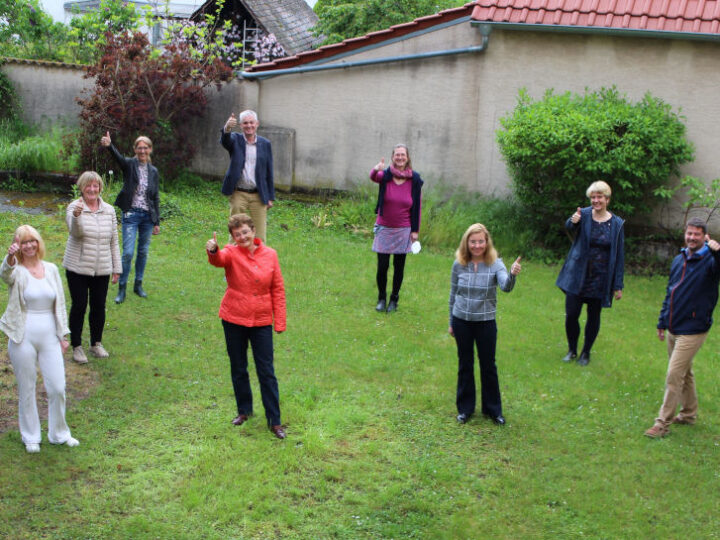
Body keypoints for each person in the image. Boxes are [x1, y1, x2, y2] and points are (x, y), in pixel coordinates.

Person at [206, 213, 287, 439]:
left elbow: (278, 289)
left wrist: (279, 320)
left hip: (261, 320)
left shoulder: (271, 255)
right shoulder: (231, 253)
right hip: (233, 317)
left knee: (266, 371)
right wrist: (213, 250)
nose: (242, 237)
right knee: (238, 366)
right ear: (232, 237)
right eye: (237, 234)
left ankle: (275, 421)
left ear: (253, 230)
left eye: (245, 232)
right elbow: (218, 260)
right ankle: (244, 411)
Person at [1, 225, 79, 453]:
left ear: (38, 243)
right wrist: (9, 258)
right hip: (22, 335)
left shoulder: (51, 269)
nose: (29, 246)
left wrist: (63, 335)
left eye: (32, 241)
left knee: (57, 387)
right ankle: (31, 436)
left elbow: (61, 305)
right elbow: (4, 275)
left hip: (49, 336)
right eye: (24, 242)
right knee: (27, 387)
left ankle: (59, 433)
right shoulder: (17, 270)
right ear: (18, 246)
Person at [644, 218, 720, 438]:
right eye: (689, 233)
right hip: (673, 325)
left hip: (694, 328)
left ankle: (661, 424)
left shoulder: (710, 261)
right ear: (685, 234)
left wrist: (717, 252)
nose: (692, 238)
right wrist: (662, 320)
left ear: (704, 237)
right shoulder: (679, 259)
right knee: (685, 373)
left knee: (674, 374)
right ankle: (688, 414)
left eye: (697, 234)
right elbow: (671, 292)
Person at [449, 224, 521, 425]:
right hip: (461, 320)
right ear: (467, 243)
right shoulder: (459, 264)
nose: (477, 245)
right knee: (465, 364)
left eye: (481, 241)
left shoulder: (495, 264)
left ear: (487, 242)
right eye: (473, 242)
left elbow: (506, 287)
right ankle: (465, 409)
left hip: (485, 322)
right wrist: (450, 322)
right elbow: (453, 294)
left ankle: (492, 410)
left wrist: (513, 274)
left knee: (488, 365)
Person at [556, 181, 624, 366]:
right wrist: (572, 221)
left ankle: (585, 353)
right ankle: (572, 350)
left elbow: (619, 255)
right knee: (571, 314)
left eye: (599, 197)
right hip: (577, 275)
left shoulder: (616, 224)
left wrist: (618, 285)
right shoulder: (583, 215)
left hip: (600, 278)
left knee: (594, 316)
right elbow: (570, 226)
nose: (596, 200)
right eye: (593, 197)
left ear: (607, 199)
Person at [63, 171, 121, 363]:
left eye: (95, 186)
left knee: (99, 306)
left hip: (102, 267)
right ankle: (77, 346)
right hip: (77, 267)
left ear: (100, 188)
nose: (92, 189)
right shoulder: (74, 207)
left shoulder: (110, 210)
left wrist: (116, 268)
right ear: (81, 187)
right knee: (79, 306)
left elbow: (114, 241)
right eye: (88, 185)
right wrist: (78, 216)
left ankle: (96, 343)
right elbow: (75, 232)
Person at [100, 131, 161, 303]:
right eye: (139, 148)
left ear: (150, 149)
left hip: (147, 217)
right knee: (127, 253)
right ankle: (122, 289)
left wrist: (156, 221)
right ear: (135, 149)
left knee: (142, 251)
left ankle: (138, 285)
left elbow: (155, 196)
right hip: (131, 214)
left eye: (145, 148)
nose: (142, 151)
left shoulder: (153, 171)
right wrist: (109, 146)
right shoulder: (129, 164)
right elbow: (119, 158)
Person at [370, 144, 423, 313]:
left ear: (407, 158)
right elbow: (373, 177)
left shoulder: (414, 179)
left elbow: (417, 207)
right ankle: (381, 298)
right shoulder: (385, 175)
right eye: (397, 155)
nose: (400, 158)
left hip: (403, 229)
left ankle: (394, 299)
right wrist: (375, 168)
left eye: (403, 155)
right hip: (384, 227)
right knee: (382, 266)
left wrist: (415, 230)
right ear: (393, 157)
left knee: (399, 266)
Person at [220, 110, 275, 242]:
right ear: (240, 125)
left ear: (257, 124)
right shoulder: (235, 140)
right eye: (245, 123)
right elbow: (225, 141)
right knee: (236, 232)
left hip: (258, 195)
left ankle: (256, 262)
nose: (249, 125)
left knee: (260, 236)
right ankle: (232, 261)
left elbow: (269, 171)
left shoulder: (265, 144)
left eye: (251, 122)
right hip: (239, 193)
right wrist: (227, 128)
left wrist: (270, 196)